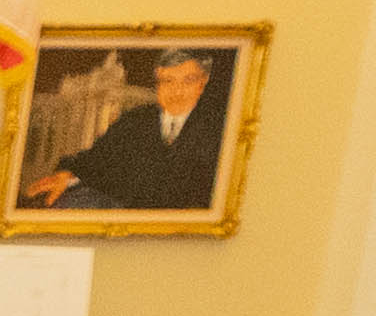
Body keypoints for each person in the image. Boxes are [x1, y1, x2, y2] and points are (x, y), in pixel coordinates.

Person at [20, 45, 228, 212]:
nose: (177, 91)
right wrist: (69, 175)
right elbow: (95, 159)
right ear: (157, 82)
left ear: (203, 83)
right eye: (167, 81)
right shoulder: (135, 119)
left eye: (188, 81)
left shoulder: (219, 128)